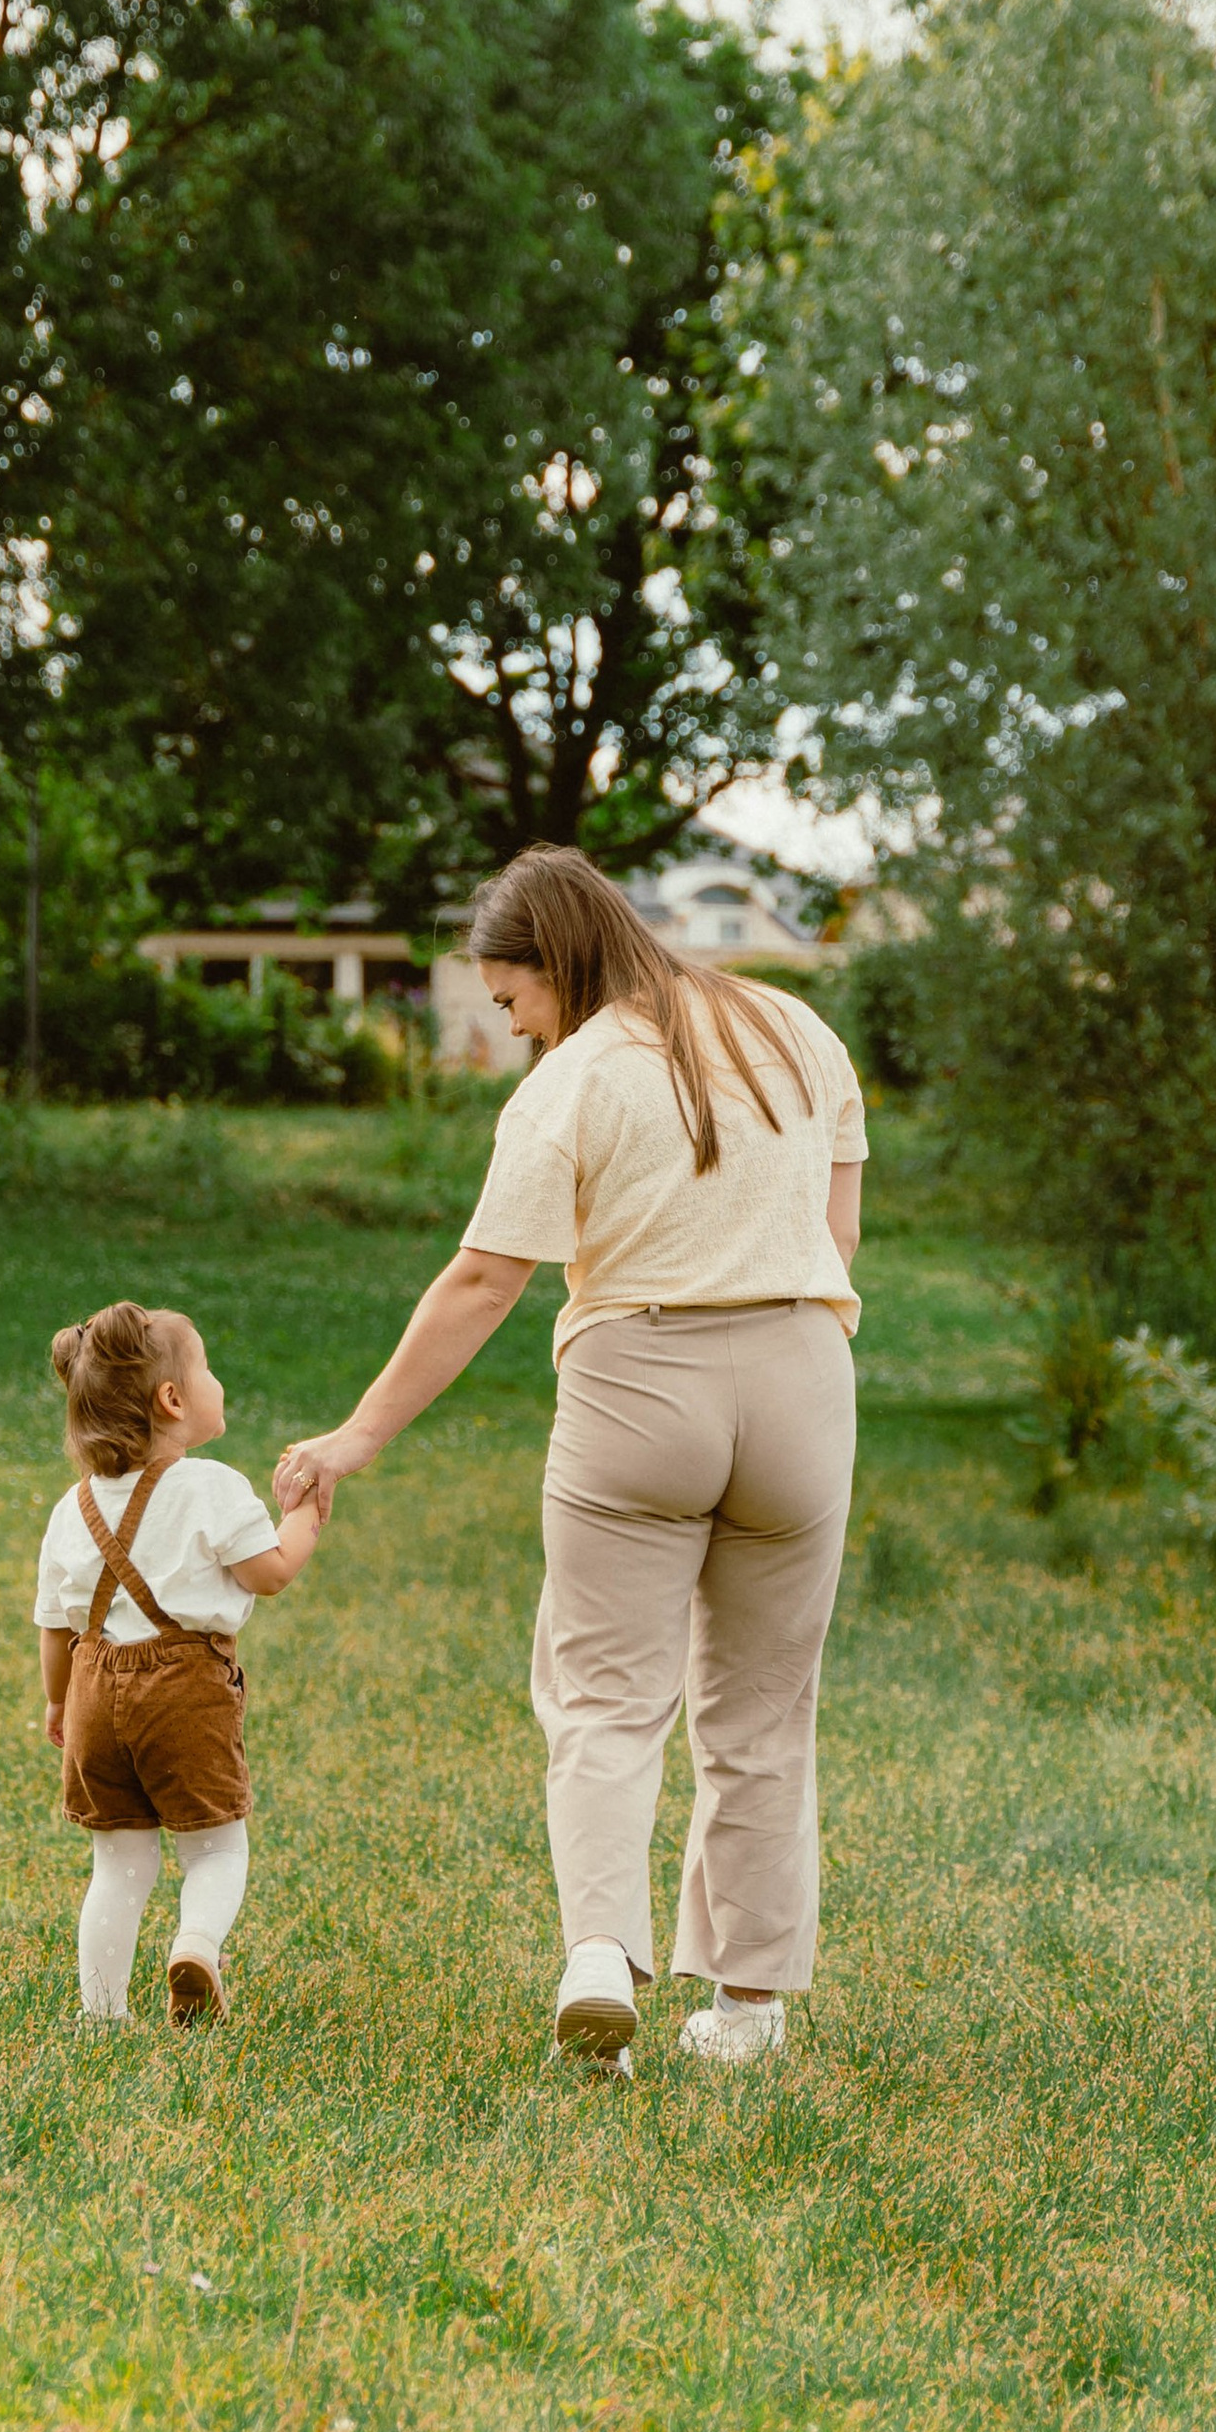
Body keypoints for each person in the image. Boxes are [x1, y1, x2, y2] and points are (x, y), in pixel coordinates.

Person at [276, 846, 865, 2074]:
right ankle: (747, 2015)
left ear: (557, 962)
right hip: (805, 1382)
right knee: (761, 1713)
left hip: (640, 1386)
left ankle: (601, 1956)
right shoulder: (799, 1028)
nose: (509, 1028)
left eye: (509, 1000)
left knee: (604, 1699)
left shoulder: (574, 1082)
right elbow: (836, 1234)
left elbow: (487, 1278)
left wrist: (356, 1436)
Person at [38, 1303, 327, 2027]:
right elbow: (269, 1573)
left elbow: (53, 1625)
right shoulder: (210, 1485)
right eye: (205, 1369)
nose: (214, 1381)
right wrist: (307, 1515)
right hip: (185, 1689)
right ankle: (195, 1947)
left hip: (93, 1690)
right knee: (216, 1848)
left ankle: (101, 2014)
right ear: (173, 1400)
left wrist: (56, 1703)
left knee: (119, 1866)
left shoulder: (72, 1507)